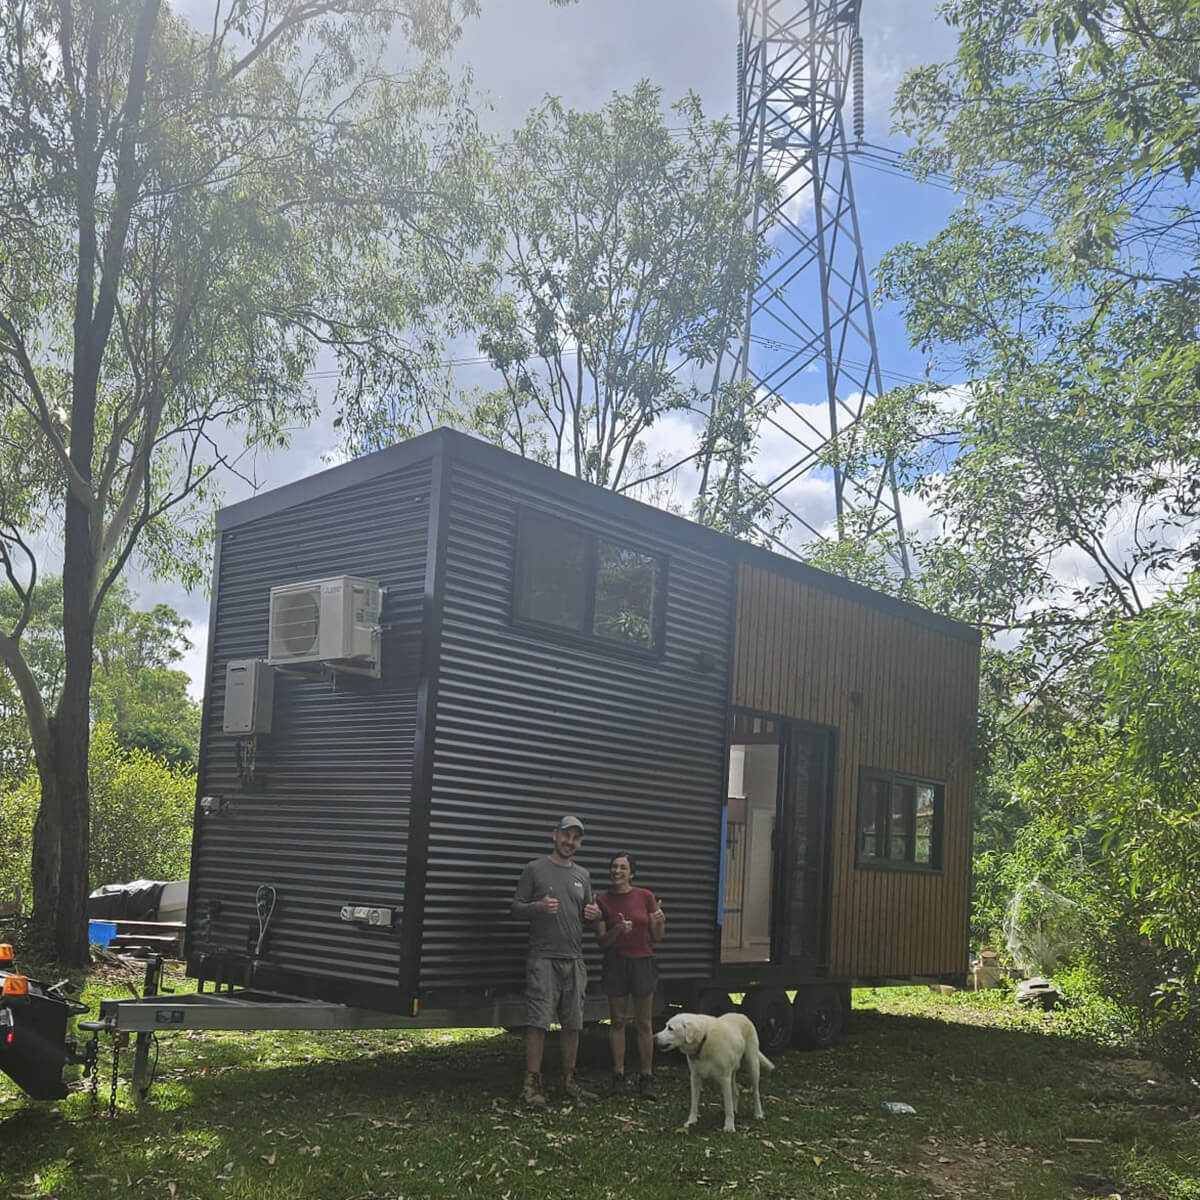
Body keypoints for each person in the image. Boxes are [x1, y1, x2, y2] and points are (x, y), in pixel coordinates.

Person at [511, 814, 602, 1106]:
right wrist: (538, 906)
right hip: (543, 958)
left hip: (574, 959)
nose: (570, 842)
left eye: (576, 838)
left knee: (573, 1023)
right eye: (566, 835)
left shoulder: (583, 876)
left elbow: (589, 913)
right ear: (554, 836)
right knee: (539, 1022)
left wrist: (594, 916)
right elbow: (516, 908)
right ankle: (531, 1083)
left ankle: (569, 1080)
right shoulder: (534, 869)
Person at [595, 851, 665, 1099]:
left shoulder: (645, 896)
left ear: (631, 873)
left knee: (644, 1023)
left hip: (642, 963)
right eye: (614, 867)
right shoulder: (602, 900)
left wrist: (660, 921)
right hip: (616, 963)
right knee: (618, 1021)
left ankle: (646, 1077)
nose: (617, 871)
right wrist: (617, 929)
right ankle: (619, 1075)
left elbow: (656, 937)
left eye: (623, 868)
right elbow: (602, 942)